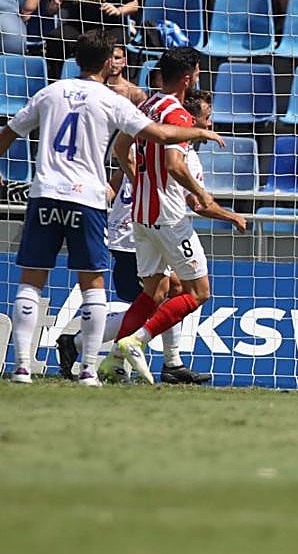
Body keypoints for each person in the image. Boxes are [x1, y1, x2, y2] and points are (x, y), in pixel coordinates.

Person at [0, 31, 222, 386]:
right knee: (96, 285)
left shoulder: (51, 92)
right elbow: (162, 138)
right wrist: (198, 134)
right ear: (108, 63)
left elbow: (9, 132)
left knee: (32, 281)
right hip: (93, 200)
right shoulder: (113, 100)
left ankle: (23, 368)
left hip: (48, 194)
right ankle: (92, 367)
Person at [60, 88, 232, 385]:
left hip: (140, 227)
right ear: (189, 120)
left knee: (168, 292)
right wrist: (231, 216)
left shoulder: (148, 141)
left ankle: (166, 363)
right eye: (207, 117)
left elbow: (119, 168)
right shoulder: (176, 155)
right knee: (160, 297)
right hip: (137, 233)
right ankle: (80, 343)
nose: (211, 123)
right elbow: (194, 202)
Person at [102, 47, 242, 384]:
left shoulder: (146, 106)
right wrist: (201, 193)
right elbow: (174, 165)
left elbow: (120, 149)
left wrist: (140, 181)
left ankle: (113, 362)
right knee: (198, 292)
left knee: (153, 293)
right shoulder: (178, 115)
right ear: (188, 77)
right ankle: (137, 341)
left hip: (140, 215)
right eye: (198, 72)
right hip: (169, 216)